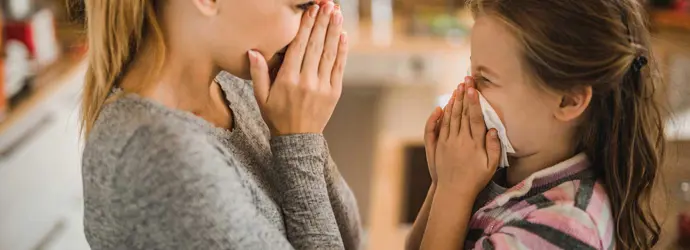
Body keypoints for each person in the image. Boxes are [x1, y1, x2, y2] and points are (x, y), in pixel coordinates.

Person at [77, 0, 362, 249]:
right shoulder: (162, 157)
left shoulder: (236, 86)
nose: (326, 11)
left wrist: (303, 130)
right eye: (301, 5)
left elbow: (349, 240)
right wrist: (300, 141)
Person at [406, 0, 665, 249]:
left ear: (568, 100)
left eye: (485, 78)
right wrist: (444, 183)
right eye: (472, 71)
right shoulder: (494, 173)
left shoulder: (564, 228)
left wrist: (453, 190)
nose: (468, 89)